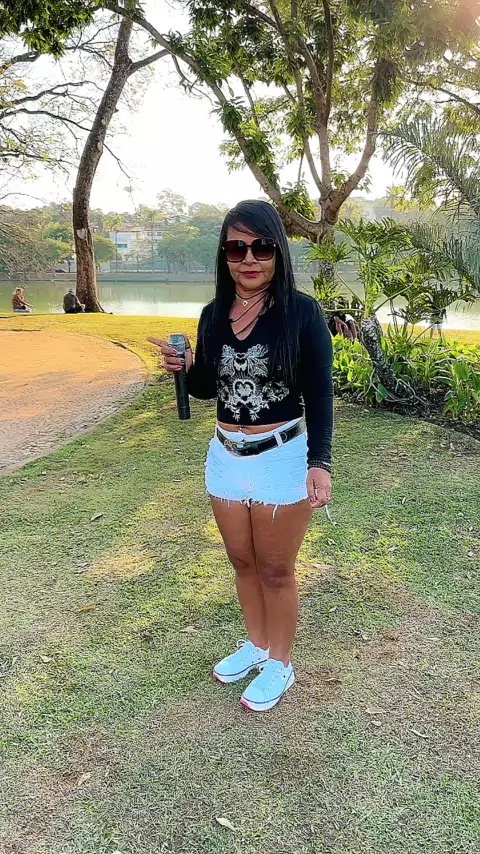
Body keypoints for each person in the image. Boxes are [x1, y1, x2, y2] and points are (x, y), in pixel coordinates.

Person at [149, 200, 333, 713]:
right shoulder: (213, 315)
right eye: (237, 247)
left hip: (282, 457)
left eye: (261, 246)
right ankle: (256, 645)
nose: (249, 258)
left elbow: (320, 393)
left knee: (276, 569)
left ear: (278, 251)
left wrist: (320, 462)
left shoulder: (302, 313)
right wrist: (185, 366)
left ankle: (280, 663)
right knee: (242, 561)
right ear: (224, 254)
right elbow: (209, 388)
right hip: (226, 457)